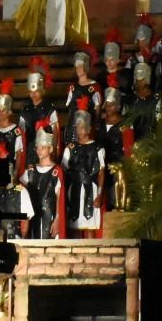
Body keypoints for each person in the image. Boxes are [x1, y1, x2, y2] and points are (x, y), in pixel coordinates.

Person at [63, 101, 106, 238]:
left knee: (90, 226)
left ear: (87, 128)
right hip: (74, 189)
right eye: (77, 127)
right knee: (75, 225)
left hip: (90, 189)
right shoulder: (70, 148)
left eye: (82, 127)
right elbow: (64, 170)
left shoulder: (98, 148)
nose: (79, 130)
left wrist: (99, 194)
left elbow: (101, 172)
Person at [20, 120, 66, 238]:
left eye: (43, 147)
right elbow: (21, 192)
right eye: (38, 148)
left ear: (50, 149)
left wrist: (57, 221)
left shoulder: (57, 171)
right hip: (33, 217)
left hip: (49, 217)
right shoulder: (30, 170)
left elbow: (59, 198)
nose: (39, 150)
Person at [17, 57, 59, 161]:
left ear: (42, 90)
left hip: (46, 153)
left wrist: (54, 154)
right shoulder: (25, 110)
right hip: (30, 152)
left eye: (36, 91)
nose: (34, 94)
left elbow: (56, 133)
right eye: (31, 91)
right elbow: (21, 135)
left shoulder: (50, 109)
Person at [63, 46, 103, 145]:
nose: (78, 69)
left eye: (80, 66)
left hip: (87, 127)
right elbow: (70, 109)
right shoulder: (72, 87)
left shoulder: (94, 87)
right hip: (73, 127)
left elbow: (98, 109)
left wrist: (95, 124)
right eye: (76, 66)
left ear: (86, 66)